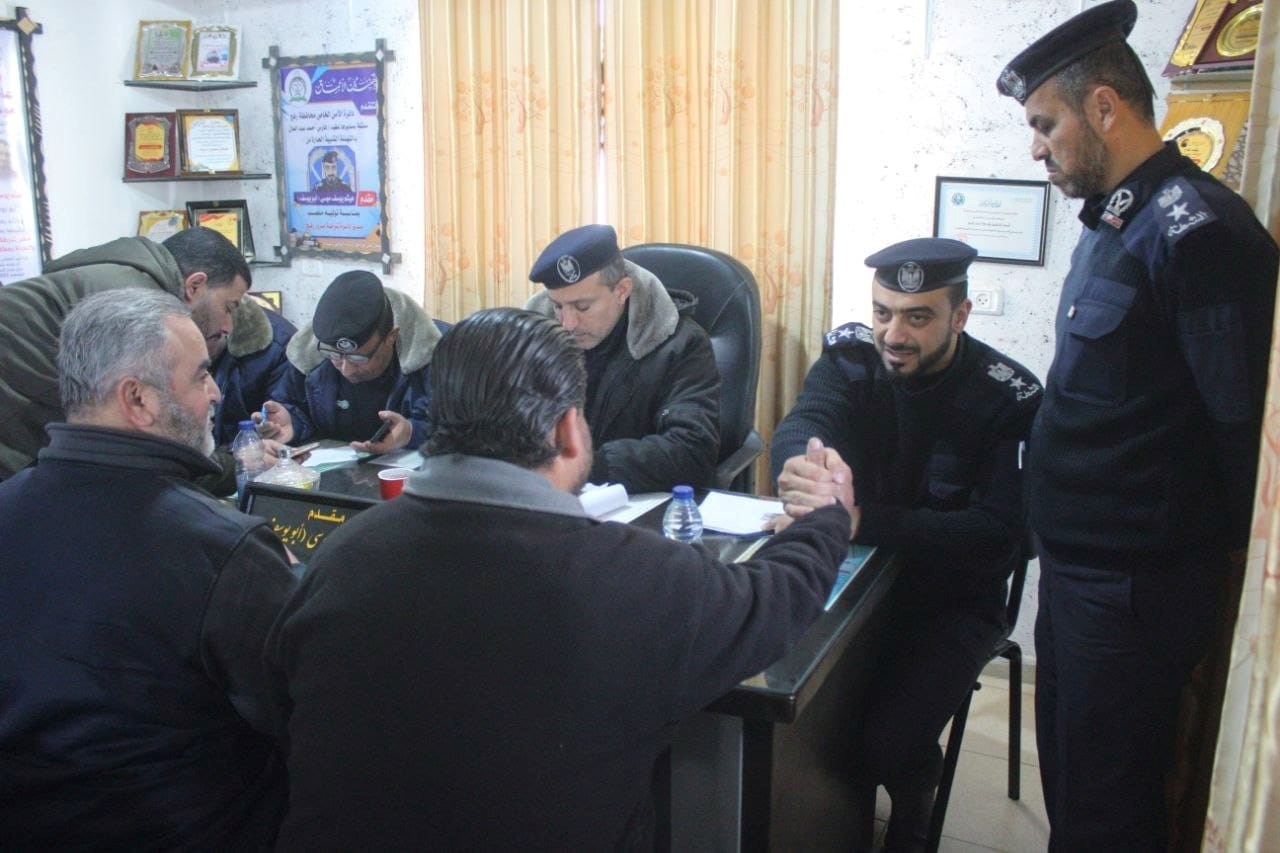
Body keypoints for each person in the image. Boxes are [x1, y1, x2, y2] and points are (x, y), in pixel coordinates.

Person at [265, 307, 852, 849]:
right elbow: (776, 601)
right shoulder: (637, 580)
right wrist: (827, 518)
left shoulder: (341, 558)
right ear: (570, 430)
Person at [996, 2, 1280, 848]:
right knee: (1074, 783)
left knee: (1109, 810)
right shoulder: (1115, 222)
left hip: (1133, 590)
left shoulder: (1202, 234)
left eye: (1045, 124)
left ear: (1104, 106)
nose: (1036, 147)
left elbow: (1241, 429)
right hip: (1080, 573)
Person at [770, 238, 1040, 851]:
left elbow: (999, 536)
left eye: (918, 317)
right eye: (883, 312)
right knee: (792, 710)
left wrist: (862, 520)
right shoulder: (850, 359)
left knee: (884, 743)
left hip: (951, 600)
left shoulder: (1008, 397)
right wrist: (804, 464)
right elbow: (808, 418)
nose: (894, 334)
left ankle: (915, 794)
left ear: (960, 315)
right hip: (854, 579)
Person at [0, 289, 296, 848]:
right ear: (138, 399)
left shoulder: (7, 507)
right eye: (201, 375)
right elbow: (305, 713)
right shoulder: (221, 550)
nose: (216, 392)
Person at [0, 226, 251, 479]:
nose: (228, 326)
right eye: (229, 307)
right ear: (195, 285)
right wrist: (239, 464)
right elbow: (148, 448)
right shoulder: (133, 304)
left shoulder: (113, 278)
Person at [526, 223, 720, 492]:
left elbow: (691, 450)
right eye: (558, 306)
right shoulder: (534, 341)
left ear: (622, 290)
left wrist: (586, 465)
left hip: (635, 503)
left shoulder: (680, 346)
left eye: (583, 306)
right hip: (544, 496)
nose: (568, 323)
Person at [262, 270, 448, 453]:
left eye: (358, 358)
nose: (346, 370)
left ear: (391, 336)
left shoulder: (441, 356)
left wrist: (412, 432)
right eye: (334, 355)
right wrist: (292, 422)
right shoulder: (308, 357)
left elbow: (459, 430)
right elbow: (293, 404)